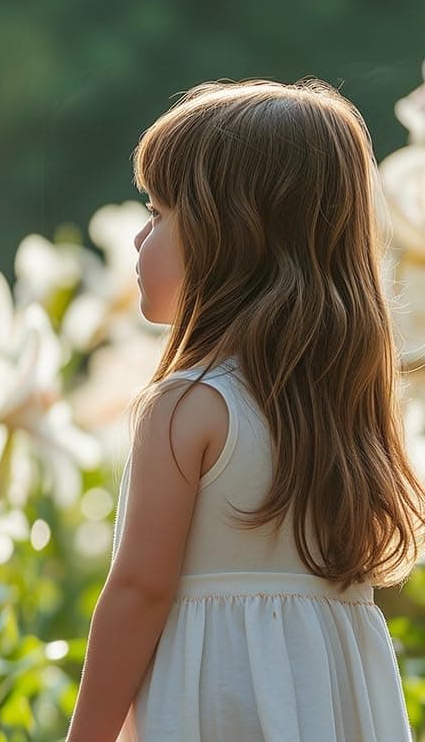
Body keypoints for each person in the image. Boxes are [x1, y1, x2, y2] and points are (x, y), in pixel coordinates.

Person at [66, 79, 425, 741]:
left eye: (158, 213)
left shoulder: (187, 406)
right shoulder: (348, 413)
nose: (139, 239)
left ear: (228, 236)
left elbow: (139, 591)